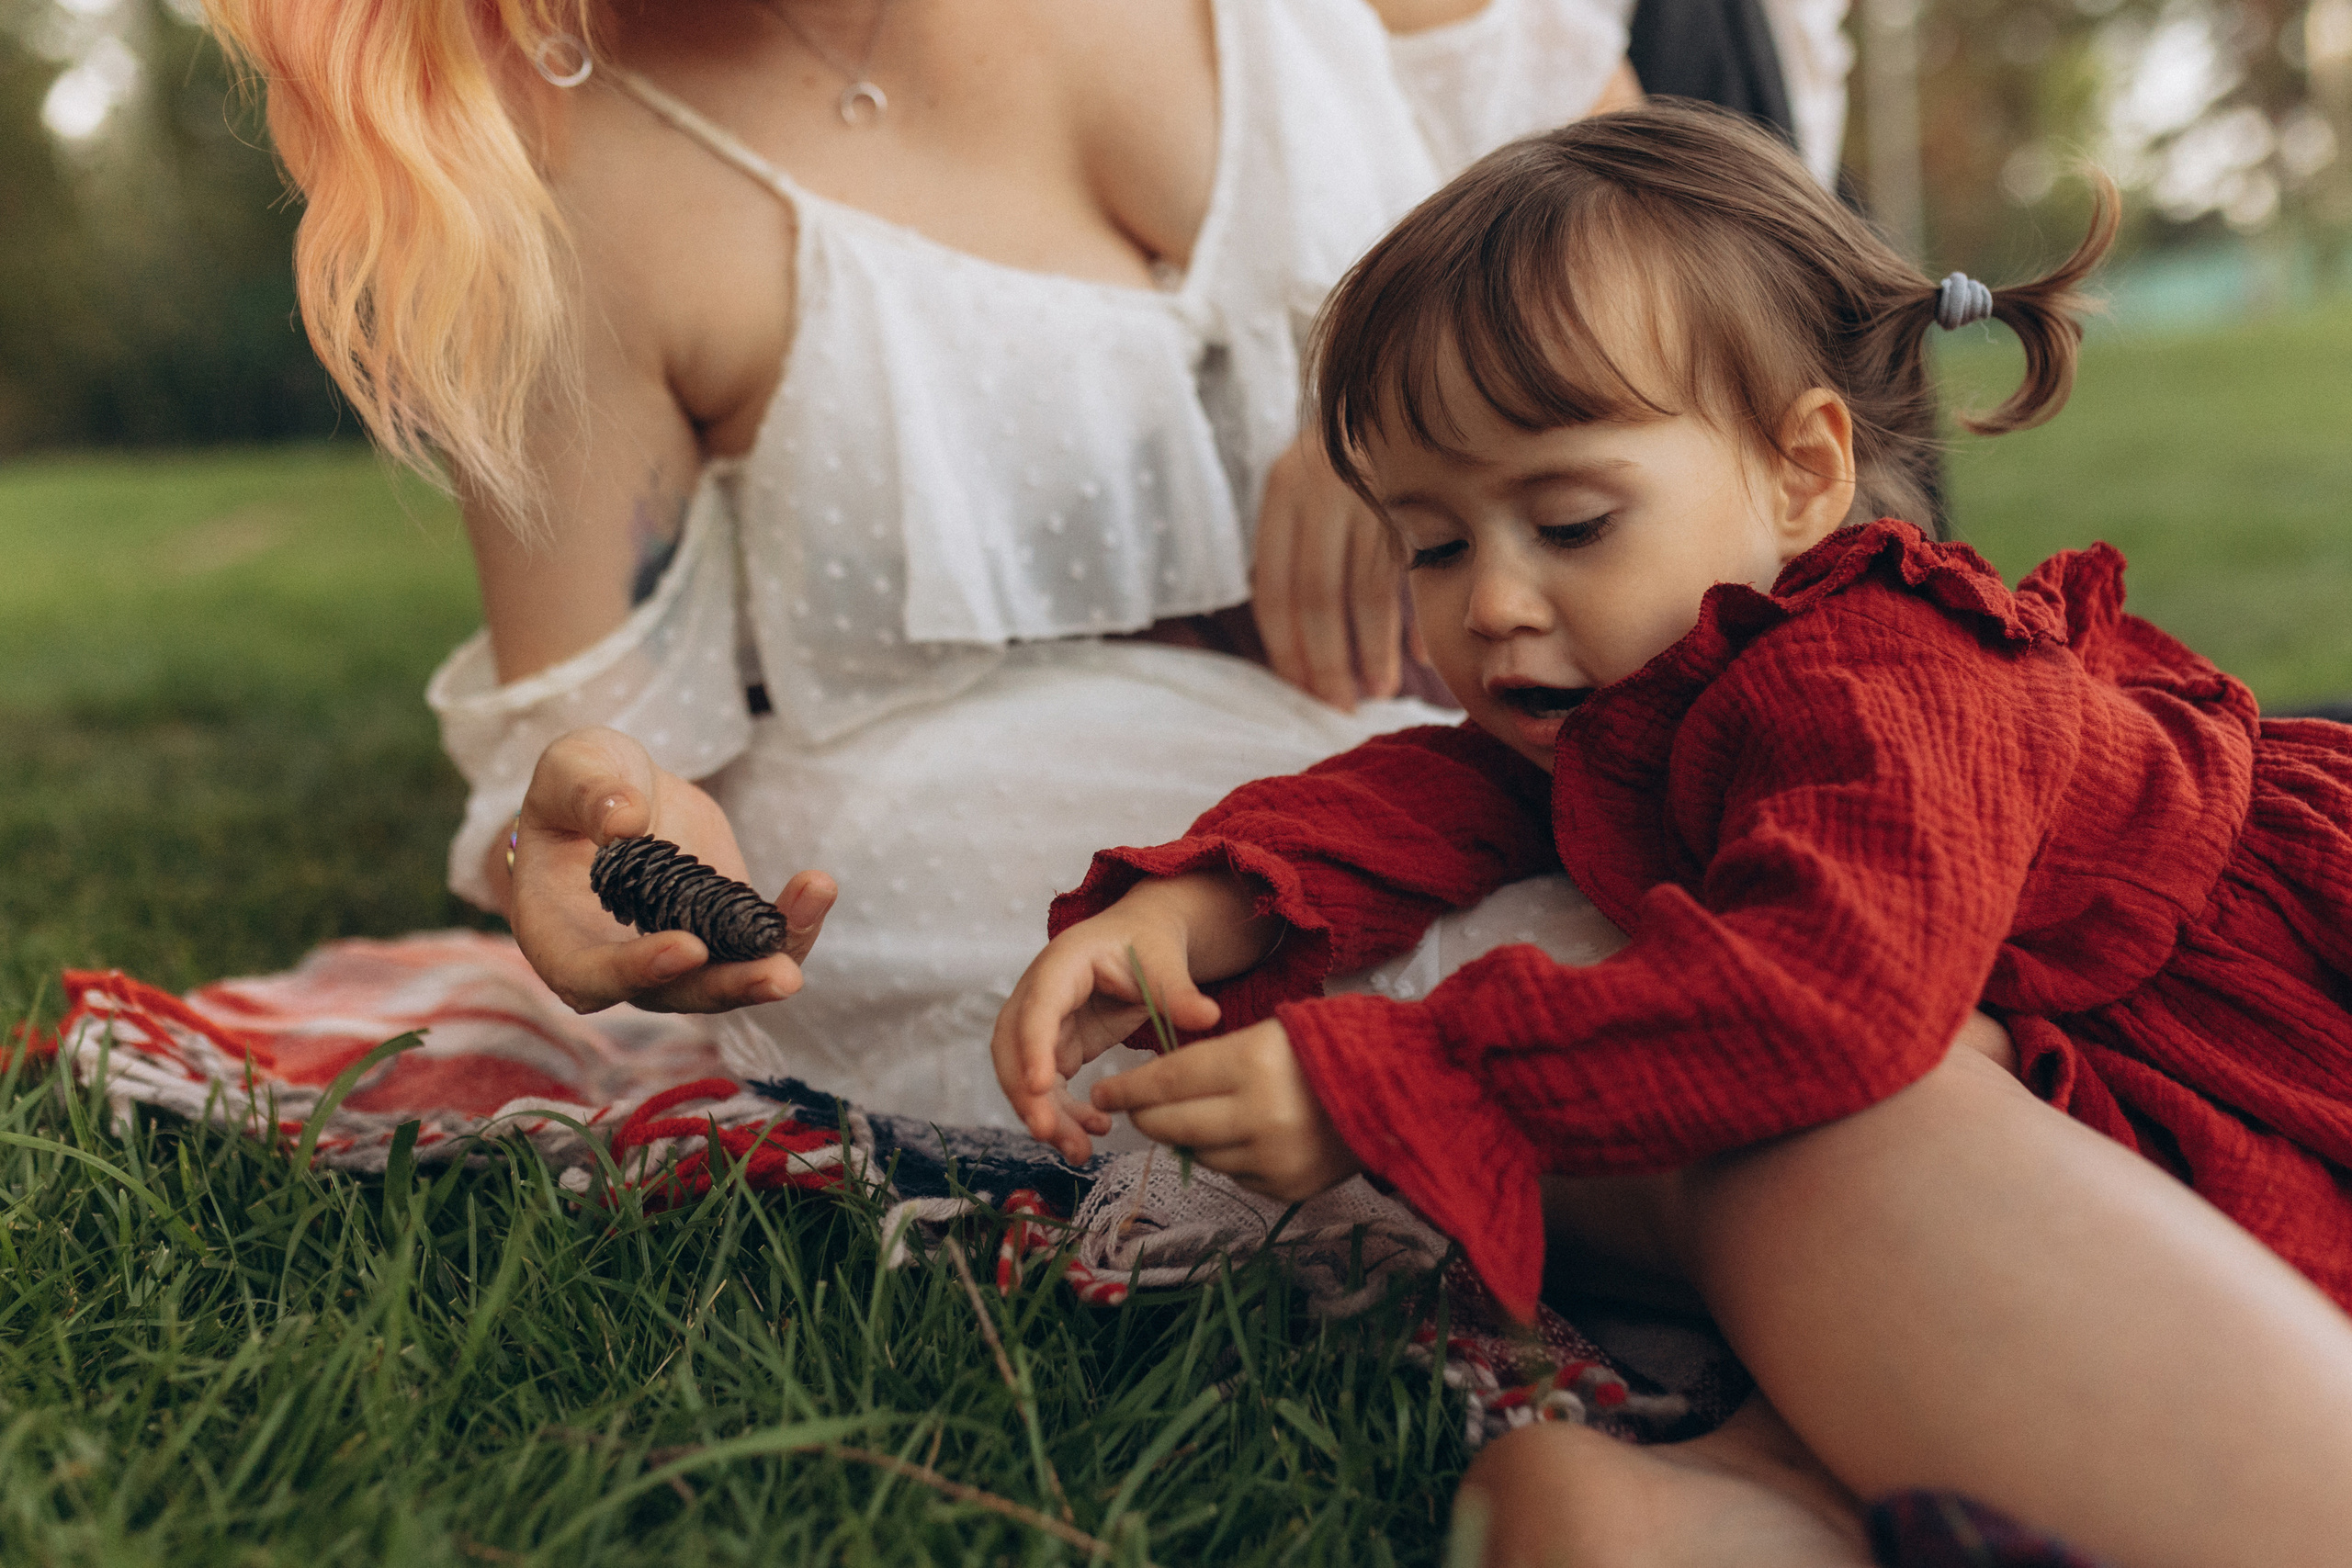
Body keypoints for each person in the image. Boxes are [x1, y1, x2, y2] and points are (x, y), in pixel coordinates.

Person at [996, 103, 2352, 1565]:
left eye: (1569, 522)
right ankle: (1725, 1506)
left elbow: (1823, 999)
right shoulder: (1656, 684)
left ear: (1802, 472)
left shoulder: (1891, 680)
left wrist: (1405, 1079)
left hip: (2270, 1046)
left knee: (2068, 1282)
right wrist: (1194, 906)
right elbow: (1440, 795)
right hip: (2093, 1087)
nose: (1493, 603)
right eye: (1435, 544)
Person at [202, 0, 1639, 1127]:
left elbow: (1706, 298)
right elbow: (593, 771)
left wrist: (1411, 409)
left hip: (1527, 732)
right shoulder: (566, 192)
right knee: (1537, 1002)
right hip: (987, 839)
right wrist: (589, 856)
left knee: (1768, 921)